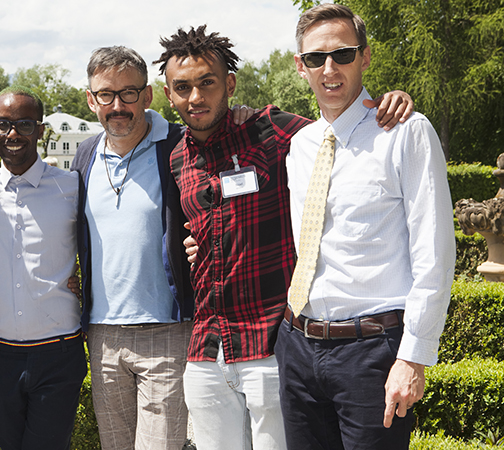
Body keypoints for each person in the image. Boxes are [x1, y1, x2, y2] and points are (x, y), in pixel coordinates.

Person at [156, 25, 413, 450]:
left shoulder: (273, 132)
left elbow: (342, 129)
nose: (195, 98)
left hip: (271, 346)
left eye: (207, 83)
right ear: (169, 94)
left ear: (230, 84)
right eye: (182, 87)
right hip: (206, 349)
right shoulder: (178, 156)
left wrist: (390, 100)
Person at [274, 5, 455, 449]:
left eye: (343, 54)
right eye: (316, 58)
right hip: (297, 345)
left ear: (366, 57)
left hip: (372, 352)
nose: (329, 69)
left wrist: (413, 357)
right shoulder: (299, 145)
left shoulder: (406, 132)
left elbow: (435, 252)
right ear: (301, 67)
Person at [70, 46, 194, 450]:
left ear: (148, 96)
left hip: (168, 330)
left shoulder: (179, 145)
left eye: (128, 93)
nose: (117, 105)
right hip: (103, 335)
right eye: (106, 94)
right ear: (91, 99)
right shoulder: (85, 155)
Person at [0, 86, 86, 450]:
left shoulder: (71, 187)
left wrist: (88, 281)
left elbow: (100, 245)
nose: (13, 134)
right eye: (3, 124)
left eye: (23, 123)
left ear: (39, 129)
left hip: (59, 352)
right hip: (0, 353)